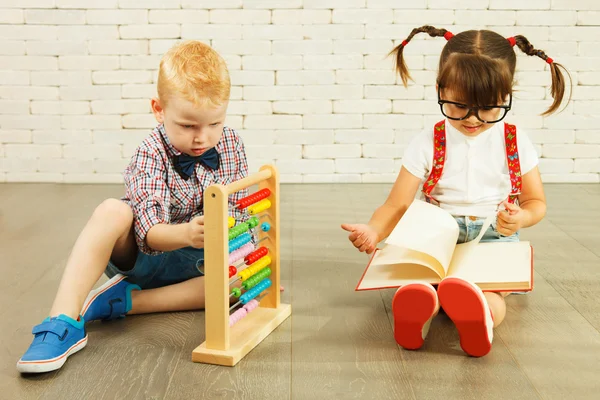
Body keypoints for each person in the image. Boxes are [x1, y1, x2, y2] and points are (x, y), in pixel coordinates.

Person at [17, 40, 250, 373]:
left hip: (198, 262)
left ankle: (126, 302)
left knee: (241, 283)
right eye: (188, 126)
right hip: (146, 254)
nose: (202, 139)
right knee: (113, 210)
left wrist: (249, 268)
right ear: (158, 109)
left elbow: (240, 214)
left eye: (214, 124)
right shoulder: (150, 151)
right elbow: (151, 232)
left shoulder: (231, 145)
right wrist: (187, 232)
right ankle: (63, 320)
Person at [342, 26, 571, 357]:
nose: (473, 119)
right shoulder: (427, 141)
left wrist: (521, 218)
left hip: (491, 234)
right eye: (459, 105)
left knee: (489, 294)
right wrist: (374, 230)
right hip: (434, 232)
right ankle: (419, 308)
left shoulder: (516, 141)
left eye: (489, 108)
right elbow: (397, 204)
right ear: (440, 89)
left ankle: (480, 316)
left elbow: (536, 203)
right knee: (419, 280)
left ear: (507, 96)